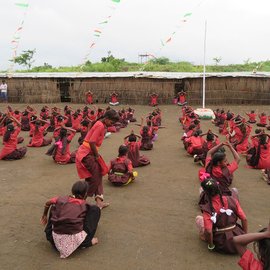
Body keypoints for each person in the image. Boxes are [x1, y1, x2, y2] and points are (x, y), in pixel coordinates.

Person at [41, 181, 101, 259]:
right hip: (78, 241)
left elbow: (47, 203)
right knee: (95, 210)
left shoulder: (60, 199)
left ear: (72, 191)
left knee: (55, 206)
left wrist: (44, 215)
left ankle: (74, 242)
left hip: (53, 239)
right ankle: (87, 241)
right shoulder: (86, 205)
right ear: (86, 194)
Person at [75, 109, 119, 209]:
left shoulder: (100, 124)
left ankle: (98, 202)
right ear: (107, 119)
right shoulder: (100, 125)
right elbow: (91, 142)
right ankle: (81, 201)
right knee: (94, 178)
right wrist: (97, 156)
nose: (112, 124)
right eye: (112, 122)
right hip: (87, 154)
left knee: (97, 175)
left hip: (88, 152)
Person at [196, 178, 247, 254]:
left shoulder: (208, 208)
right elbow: (244, 219)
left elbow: (209, 231)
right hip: (238, 239)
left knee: (199, 219)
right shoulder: (232, 200)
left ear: (205, 193)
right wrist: (245, 236)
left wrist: (211, 245)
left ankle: (204, 237)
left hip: (221, 243)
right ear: (219, 189)